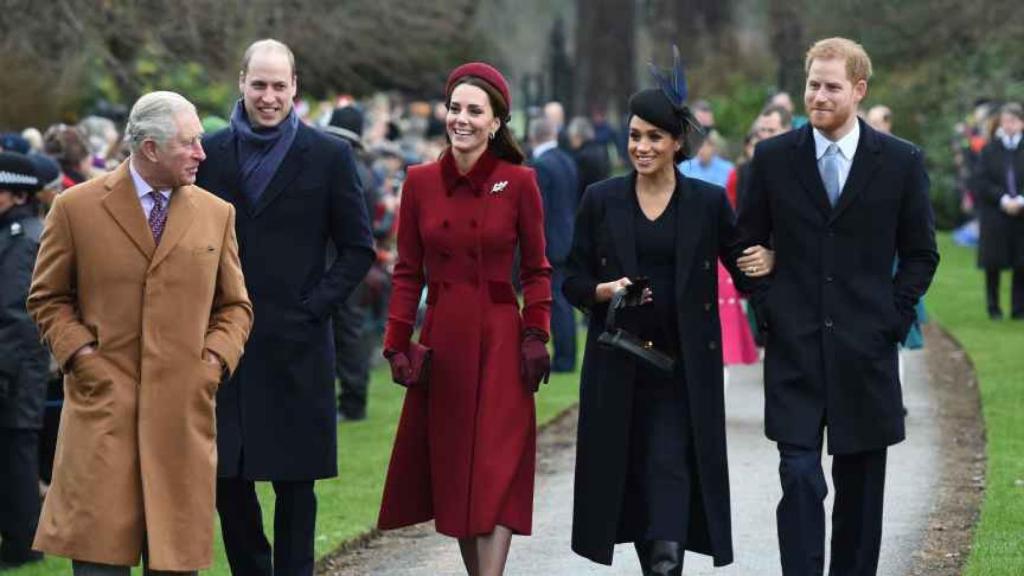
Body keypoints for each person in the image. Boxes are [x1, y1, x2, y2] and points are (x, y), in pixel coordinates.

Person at [27, 91, 254, 575]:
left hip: (181, 422)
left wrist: (211, 363)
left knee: (174, 565)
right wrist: (83, 357)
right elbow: (47, 297)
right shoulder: (75, 208)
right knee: (98, 563)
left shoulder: (217, 213)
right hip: (102, 417)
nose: (202, 153)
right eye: (189, 143)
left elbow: (235, 306)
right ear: (150, 148)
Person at [562, 59, 774, 573]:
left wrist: (767, 259)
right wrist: (604, 290)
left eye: (655, 137)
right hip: (619, 366)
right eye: (635, 136)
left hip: (683, 373)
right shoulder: (601, 200)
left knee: (670, 471)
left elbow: (744, 265)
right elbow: (571, 280)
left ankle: (665, 563)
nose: (642, 147)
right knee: (631, 481)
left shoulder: (705, 203)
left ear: (678, 143)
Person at [736, 37, 939, 575]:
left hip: (865, 352)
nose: (818, 95)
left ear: (859, 89)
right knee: (799, 478)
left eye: (831, 86)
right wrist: (768, 306)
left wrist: (892, 319)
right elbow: (743, 246)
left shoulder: (900, 162)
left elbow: (921, 253)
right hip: (795, 350)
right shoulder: (774, 159)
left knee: (861, 494)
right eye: (812, 84)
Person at [194, 39, 374, 576]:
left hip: (298, 344)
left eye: (278, 86)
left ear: (294, 88)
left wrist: (313, 306)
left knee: (296, 487)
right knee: (229, 479)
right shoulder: (211, 153)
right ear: (242, 84)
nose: (268, 97)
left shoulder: (328, 155)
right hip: (225, 347)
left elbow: (358, 247)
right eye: (258, 85)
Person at [377, 62, 552, 576]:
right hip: (445, 340)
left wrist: (537, 333)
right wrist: (396, 343)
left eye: (475, 111)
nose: (462, 119)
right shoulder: (420, 182)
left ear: (497, 122)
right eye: (456, 108)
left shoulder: (520, 183)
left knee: (495, 468)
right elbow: (407, 272)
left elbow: (538, 268)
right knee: (457, 472)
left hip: (501, 338)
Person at [0, 152, 48, 569]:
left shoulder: (21, 237)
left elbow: (16, 314)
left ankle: (22, 544)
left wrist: (3, 371)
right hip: (17, 367)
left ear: (16, 193)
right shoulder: (17, 232)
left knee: (16, 452)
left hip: (15, 369)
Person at [324, 105, 380, 420]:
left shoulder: (334, 166)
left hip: (332, 259)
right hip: (353, 262)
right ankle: (352, 399)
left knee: (346, 332)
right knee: (350, 331)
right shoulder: (365, 171)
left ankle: (353, 403)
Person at [530, 116, 580, 372]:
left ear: (533, 137)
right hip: (568, 236)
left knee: (556, 301)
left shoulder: (541, 166)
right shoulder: (567, 161)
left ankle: (564, 358)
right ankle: (566, 356)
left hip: (550, 240)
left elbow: (538, 210)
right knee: (562, 300)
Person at [972, 102, 1024, 319]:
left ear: (1021, 123)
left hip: (1021, 215)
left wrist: (1020, 199)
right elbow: (981, 181)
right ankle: (993, 307)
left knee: (1021, 263)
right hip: (995, 213)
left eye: (1012, 121)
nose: (1008, 125)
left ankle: (1018, 308)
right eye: (1004, 122)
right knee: (993, 263)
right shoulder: (989, 149)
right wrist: (1003, 199)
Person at [567, 116, 612, 201]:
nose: (571, 141)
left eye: (572, 137)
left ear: (578, 136)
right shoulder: (602, 150)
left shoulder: (580, 157)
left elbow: (578, 186)